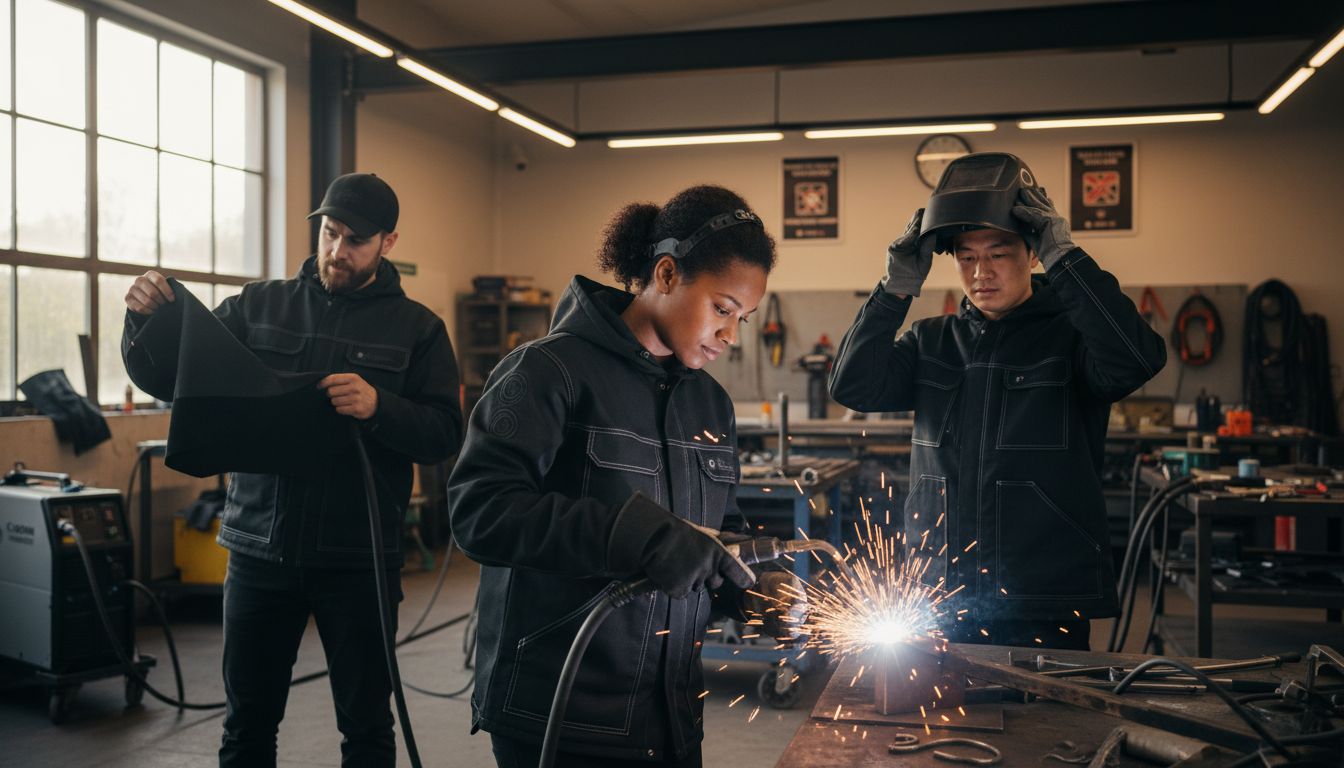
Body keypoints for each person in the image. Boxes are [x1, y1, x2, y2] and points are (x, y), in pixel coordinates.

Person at [121, 172, 463, 767]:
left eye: (355, 240)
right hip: (259, 552)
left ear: (389, 241)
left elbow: (444, 434)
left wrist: (381, 406)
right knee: (247, 726)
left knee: (366, 729)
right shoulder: (258, 307)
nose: (337, 251)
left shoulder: (419, 332)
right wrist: (144, 320)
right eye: (329, 233)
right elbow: (172, 378)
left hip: (358, 559)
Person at [447, 185, 795, 767]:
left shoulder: (711, 404)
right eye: (722, 308)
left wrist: (751, 585)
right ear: (665, 274)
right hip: (562, 709)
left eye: (744, 318)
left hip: (671, 706)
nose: (731, 335)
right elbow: (481, 512)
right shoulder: (547, 372)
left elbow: (715, 529)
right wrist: (638, 535)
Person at [829, 152, 1165, 650]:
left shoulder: (1074, 338)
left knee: (1045, 727)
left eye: (999, 253)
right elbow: (852, 385)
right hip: (938, 589)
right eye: (967, 257)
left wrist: (1067, 257)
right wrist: (894, 289)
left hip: (1042, 594)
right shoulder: (931, 342)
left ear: (1032, 253)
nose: (980, 271)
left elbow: (1137, 359)